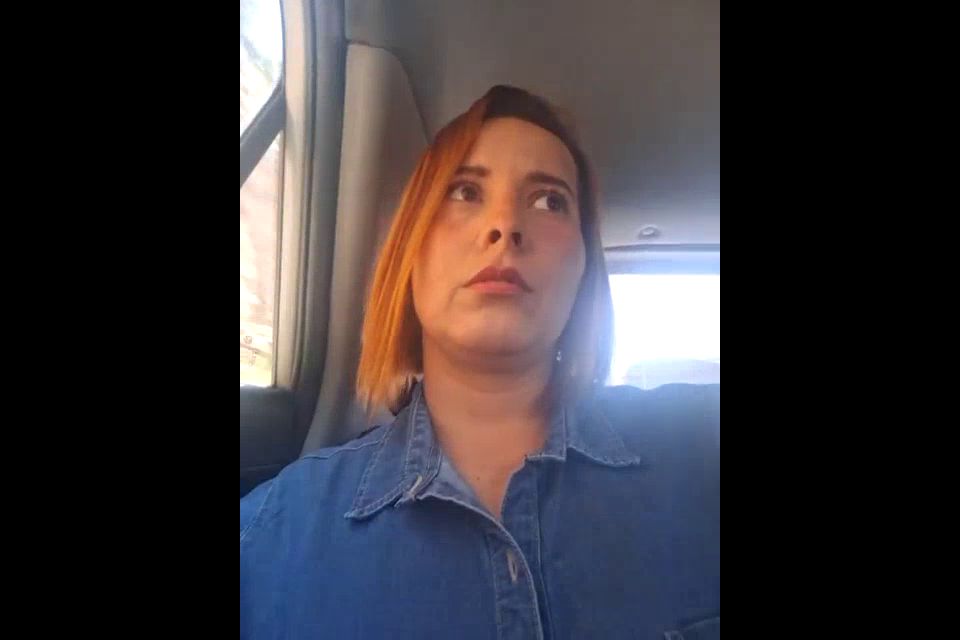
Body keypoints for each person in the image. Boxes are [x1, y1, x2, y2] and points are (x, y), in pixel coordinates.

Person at [240, 85, 719, 640]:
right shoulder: (268, 539)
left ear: (584, 270)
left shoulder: (703, 452)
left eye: (550, 201)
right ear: (409, 251)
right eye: (464, 191)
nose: (505, 226)